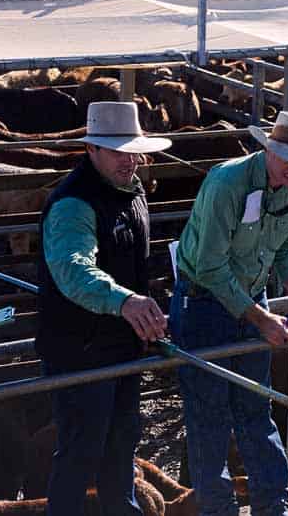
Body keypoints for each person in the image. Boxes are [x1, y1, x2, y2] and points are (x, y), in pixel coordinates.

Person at [169, 111, 288, 516]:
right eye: (286, 157)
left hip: (249, 296)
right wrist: (261, 318)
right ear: (267, 150)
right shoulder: (227, 183)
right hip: (203, 302)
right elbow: (209, 266)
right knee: (210, 416)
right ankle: (218, 510)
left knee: (256, 406)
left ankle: (272, 505)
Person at [36, 101, 172, 516]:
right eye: (117, 151)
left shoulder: (132, 192)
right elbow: (74, 269)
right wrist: (125, 301)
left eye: (133, 150)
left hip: (120, 345)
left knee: (120, 447)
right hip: (81, 349)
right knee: (81, 452)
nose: (129, 159)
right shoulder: (73, 202)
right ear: (92, 149)